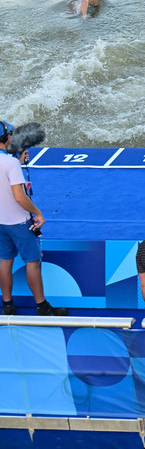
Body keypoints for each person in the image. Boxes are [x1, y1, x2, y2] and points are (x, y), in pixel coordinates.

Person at [0, 121, 66, 316]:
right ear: (7, 137)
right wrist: (37, 213)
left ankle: (7, 305)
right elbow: (20, 197)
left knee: (4, 261)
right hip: (19, 222)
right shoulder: (11, 163)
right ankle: (41, 306)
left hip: (0, 222)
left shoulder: (12, 162)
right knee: (33, 263)